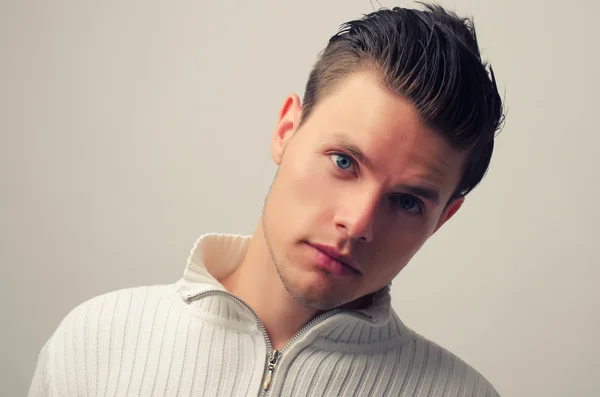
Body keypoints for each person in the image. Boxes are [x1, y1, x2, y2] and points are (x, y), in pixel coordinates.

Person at [28, 3, 504, 396]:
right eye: (343, 162)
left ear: (442, 219)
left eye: (407, 203)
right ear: (286, 131)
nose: (358, 223)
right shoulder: (95, 342)